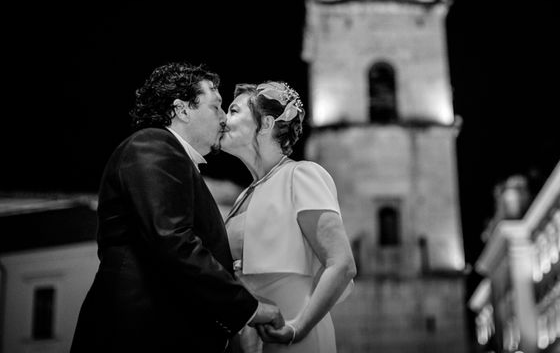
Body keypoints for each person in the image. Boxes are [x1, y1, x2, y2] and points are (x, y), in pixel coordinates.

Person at [71, 62, 284, 353]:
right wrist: (248, 308)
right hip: (139, 335)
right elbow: (172, 240)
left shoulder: (176, 161)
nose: (224, 118)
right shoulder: (152, 144)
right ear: (182, 109)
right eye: (216, 106)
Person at [221, 81, 356, 352]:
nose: (224, 119)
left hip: (295, 336)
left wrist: (297, 328)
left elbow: (341, 265)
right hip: (251, 339)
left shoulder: (301, 175)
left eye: (234, 111)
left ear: (267, 123)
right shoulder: (244, 195)